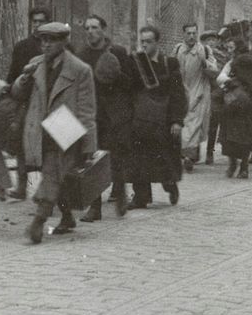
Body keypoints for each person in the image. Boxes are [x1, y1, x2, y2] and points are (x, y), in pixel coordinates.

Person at [11, 22, 97, 244]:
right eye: (43, 40)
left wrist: (89, 145)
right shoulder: (36, 65)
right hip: (40, 128)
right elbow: (17, 93)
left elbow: (87, 109)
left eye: (52, 40)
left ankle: (37, 222)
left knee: (51, 174)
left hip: (66, 129)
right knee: (60, 178)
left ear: (64, 42)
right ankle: (67, 217)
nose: (46, 45)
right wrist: (22, 79)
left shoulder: (80, 70)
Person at [75, 14, 132, 220]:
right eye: (87, 28)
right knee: (92, 159)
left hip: (115, 114)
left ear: (103, 29)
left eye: (95, 27)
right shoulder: (81, 56)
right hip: (93, 114)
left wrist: (116, 74)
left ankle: (121, 193)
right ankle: (95, 207)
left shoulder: (117, 52)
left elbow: (130, 83)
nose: (90, 31)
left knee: (116, 157)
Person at [127, 26, 187, 208]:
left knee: (164, 159)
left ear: (157, 43)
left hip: (163, 120)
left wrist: (177, 120)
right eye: (142, 41)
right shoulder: (135, 63)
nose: (144, 45)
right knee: (139, 158)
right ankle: (141, 196)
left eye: (148, 41)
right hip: (141, 119)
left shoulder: (170, 63)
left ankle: (170, 185)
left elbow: (178, 93)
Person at [5, 7, 50, 200]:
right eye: (35, 21)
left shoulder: (56, 45)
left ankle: (45, 187)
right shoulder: (22, 47)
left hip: (48, 103)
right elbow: (13, 74)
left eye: (42, 21)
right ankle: (22, 186)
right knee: (22, 144)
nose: (38, 25)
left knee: (48, 146)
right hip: (27, 101)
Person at [216, 37, 252, 177]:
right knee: (245, 138)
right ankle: (243, 167)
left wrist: (231, 82)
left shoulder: (236, 63)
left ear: (237, 49)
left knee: (231, 137)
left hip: (235, 104)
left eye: (231, 48)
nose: (229, 51)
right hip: (249, 106)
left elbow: (223, 79)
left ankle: (233, 165)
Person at [172, 23, 219, 172]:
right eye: (188, 33)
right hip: (182, 92)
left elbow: (214, 70)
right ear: (183, 34)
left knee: (195, 126)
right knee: (184, 124)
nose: (191, 36)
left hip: (199, 93)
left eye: (194, 33)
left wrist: (204, 61)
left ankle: (188, 158)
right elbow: (170, 67)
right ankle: (187, 155)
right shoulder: (178, 49)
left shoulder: (204, 50)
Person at [202, 30, 229, 165]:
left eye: (213, 40)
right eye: (208, 40)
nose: (211, 42)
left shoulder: (223, 55)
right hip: (206, 91)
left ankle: (213, 150)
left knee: (218, 121)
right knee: (208, 123)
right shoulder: (202, 55)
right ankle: (204, 151)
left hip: (220, 91)